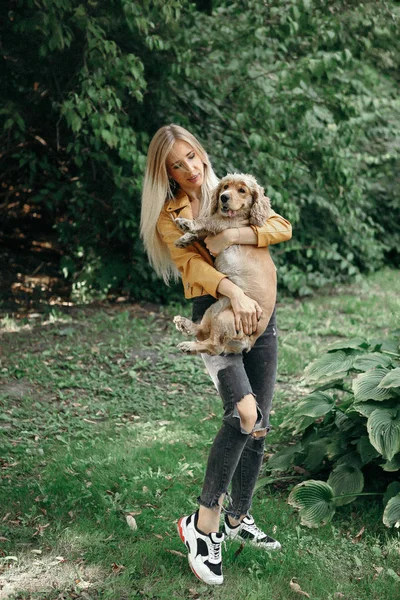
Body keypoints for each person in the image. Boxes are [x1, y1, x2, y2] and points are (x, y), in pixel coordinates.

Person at [141, 124, 292, 586]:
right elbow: (193, 267)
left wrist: (234, 239)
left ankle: (238, 517)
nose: (189, 169)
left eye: (191, 156)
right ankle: (203, 526)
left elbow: (281, 226)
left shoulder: (227, 188)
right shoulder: (171, 216)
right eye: (176, 165)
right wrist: (234, 294)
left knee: (261, 422)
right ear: (164, 174)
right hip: (217, 311)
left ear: (201, 153)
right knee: (243, 413)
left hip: (260, 313)